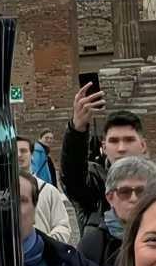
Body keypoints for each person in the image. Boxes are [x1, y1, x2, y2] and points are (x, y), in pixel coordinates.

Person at [61, 86, 148, 231]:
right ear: (104, 147)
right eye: (114, 141)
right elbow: (72, 177)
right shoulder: (94, 180)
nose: (121, 148)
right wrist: (77, 129)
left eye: (129, 140)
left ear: (143, 145)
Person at [78, 156, 156, 266]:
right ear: (110, 197)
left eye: (141, 191)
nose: (134, 198)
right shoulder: (92, 245)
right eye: (125, 192)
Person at [17, 136, 74, 241]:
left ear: (32, 155)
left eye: (23, 151)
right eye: (14, 151)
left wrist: (46, 243)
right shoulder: (0, 193)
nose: (19, 154)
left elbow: (63, 226)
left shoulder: (49, 191)